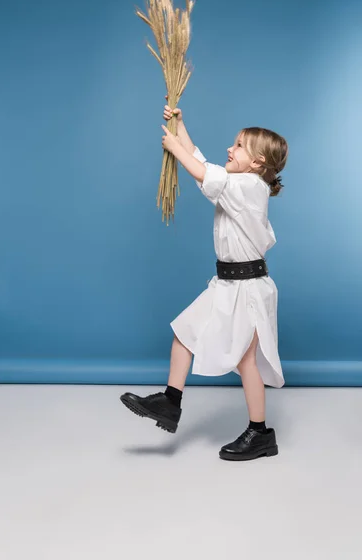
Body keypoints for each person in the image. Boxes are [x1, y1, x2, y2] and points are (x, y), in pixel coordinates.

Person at [121, 100, 288, 461]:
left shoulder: (250, 188)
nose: (230, 148)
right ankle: (170, 401)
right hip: (226, 283)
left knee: (246, 361)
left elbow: (201, 171)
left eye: (239, 145)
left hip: (248, 288)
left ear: (258, 163)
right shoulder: (234, 183)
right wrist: (180, 126)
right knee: (185, 332)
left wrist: (174, 147)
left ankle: (260, 433)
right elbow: (205, 166)